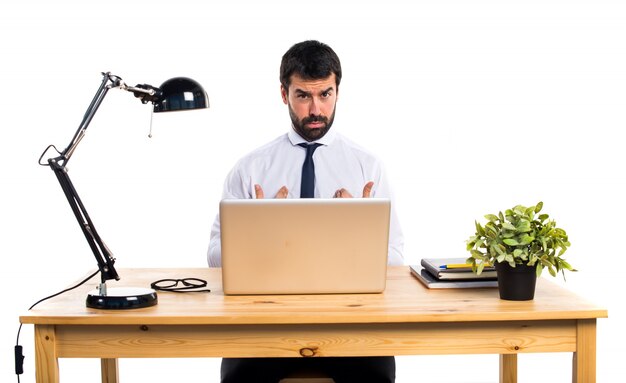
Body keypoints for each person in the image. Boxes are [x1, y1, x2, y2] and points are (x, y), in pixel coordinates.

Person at [208, 40, 404, 383]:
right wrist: (260, 236)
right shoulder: (251, 168)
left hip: (350, 326)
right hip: (264, 327)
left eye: (325, 95)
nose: (316, 109)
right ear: (284, 94)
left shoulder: (367, 167)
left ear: (337, 92)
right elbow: (213, 255)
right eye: (303, 96)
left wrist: (355, 237)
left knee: (376, 376)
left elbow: (396, 258)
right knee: (239, 378)